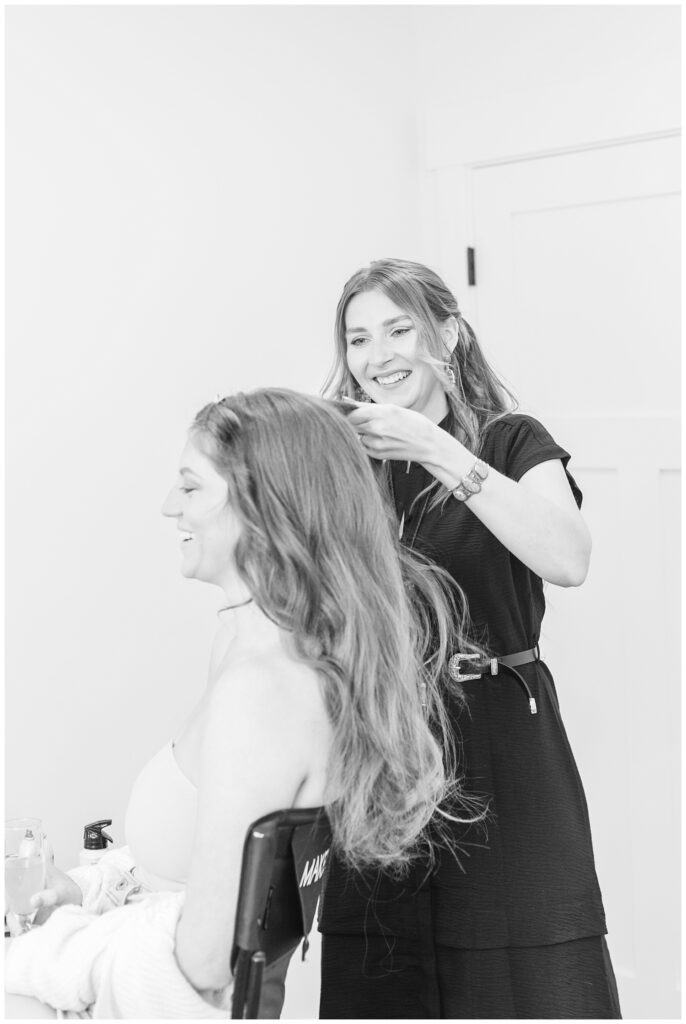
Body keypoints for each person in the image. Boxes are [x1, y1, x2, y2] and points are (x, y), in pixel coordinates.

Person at [5, 388, 480, 1019]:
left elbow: (204, 964)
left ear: (261, 508)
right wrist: (88, 892)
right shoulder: (262, 651)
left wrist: (53, 954)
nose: (168, 506)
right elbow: (197, 876)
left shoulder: (265, 691)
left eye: (191, 487)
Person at [318, 258, 622, 1019]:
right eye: (358, 339)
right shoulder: (347, 460)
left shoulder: (510, 439)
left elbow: (568, 557)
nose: (377, 355)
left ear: (447, 333)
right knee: (385, 975)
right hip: (384, 749)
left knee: (528, 982)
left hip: (504, 743)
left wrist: (438, 449)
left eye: (398, 329)